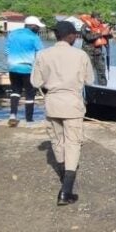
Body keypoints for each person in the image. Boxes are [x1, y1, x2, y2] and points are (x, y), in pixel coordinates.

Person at [31, 21, 94, 206]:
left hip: (52, 103)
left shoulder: (43, 54)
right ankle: (66, 191)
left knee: (57, 141)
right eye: (75, 35)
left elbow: (35, 82)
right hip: (72, 104)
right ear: (70, 36)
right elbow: (89, 80)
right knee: (73, 143)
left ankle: (63, 174)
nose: (76, 37)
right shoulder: (80, 55)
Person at [5, 15, 45, 126]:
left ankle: (12, 115)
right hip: (28, 69)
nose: (39, 29)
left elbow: (7, 50)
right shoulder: (34, 37)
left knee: (15, 91)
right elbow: (41, 54)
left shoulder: (12, 34)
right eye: (38, 27)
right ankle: (29, 119)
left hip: (13, 68)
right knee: (30, 94)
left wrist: (11, 62)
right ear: (32, 26)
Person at [80, 11, 111, 86]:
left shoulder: (100, 26)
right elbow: (88, 37)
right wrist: (101, 34)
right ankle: (88, 88)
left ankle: (103, 89)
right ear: (93, 18)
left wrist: (108, 32)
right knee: (88, 73)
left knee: (101, 72)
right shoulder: (86, 26)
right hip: (88, 54)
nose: (99, 21)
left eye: (100, 20)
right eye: (98, 20)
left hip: (98, 53)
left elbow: (108, 37)